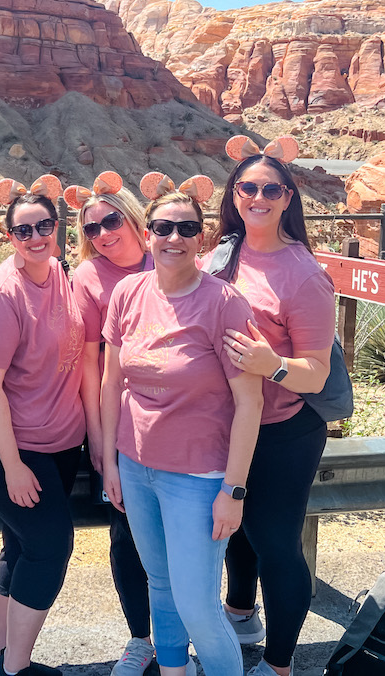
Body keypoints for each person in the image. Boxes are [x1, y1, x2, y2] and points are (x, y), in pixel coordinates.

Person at [100, 172, 264, 676]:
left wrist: (233, 491)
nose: (174, 238)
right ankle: (173, 670)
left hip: (197, 478)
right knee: (161, 584)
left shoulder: (223, 304)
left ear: (202, 238)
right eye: (163, 227)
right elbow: (111, 384)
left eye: (186, 229)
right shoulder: (128, 293)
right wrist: (109, 462)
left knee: (197, 604)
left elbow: (249, 402)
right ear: (147, 232)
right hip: (136, 467)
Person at [207, 136, 338, 676]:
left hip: (284, 429)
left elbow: (317, 371)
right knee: (235, 528)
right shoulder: (224, 251)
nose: (257, 196)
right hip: (232, 422)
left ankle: (280, 664)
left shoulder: (303, 274)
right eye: (247, 187)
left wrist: (272, 364)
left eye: (270, 189)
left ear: (288, 198)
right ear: (234, 194)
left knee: (275, 544)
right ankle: (241, 616)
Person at [0, 175, 87, 676]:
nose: (36, 237)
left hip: (58, 440)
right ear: (8, 237)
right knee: (51, 545)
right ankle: (15, 668)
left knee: (20, 544)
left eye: (44, 226)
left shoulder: (58, 271)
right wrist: (11, 466)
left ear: (57, 229)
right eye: (23, 230)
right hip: (3, 444)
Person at [64, 172, 157, 676]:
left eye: (111, 219)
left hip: (177, 422)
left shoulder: (166, 253)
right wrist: (101, 446)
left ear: (133, 217)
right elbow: (89, 368)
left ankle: (179, 630)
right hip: (118, 423)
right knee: (125, 534)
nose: (102, 233)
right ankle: (141, 638)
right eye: (92, 227)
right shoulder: (89, 278)